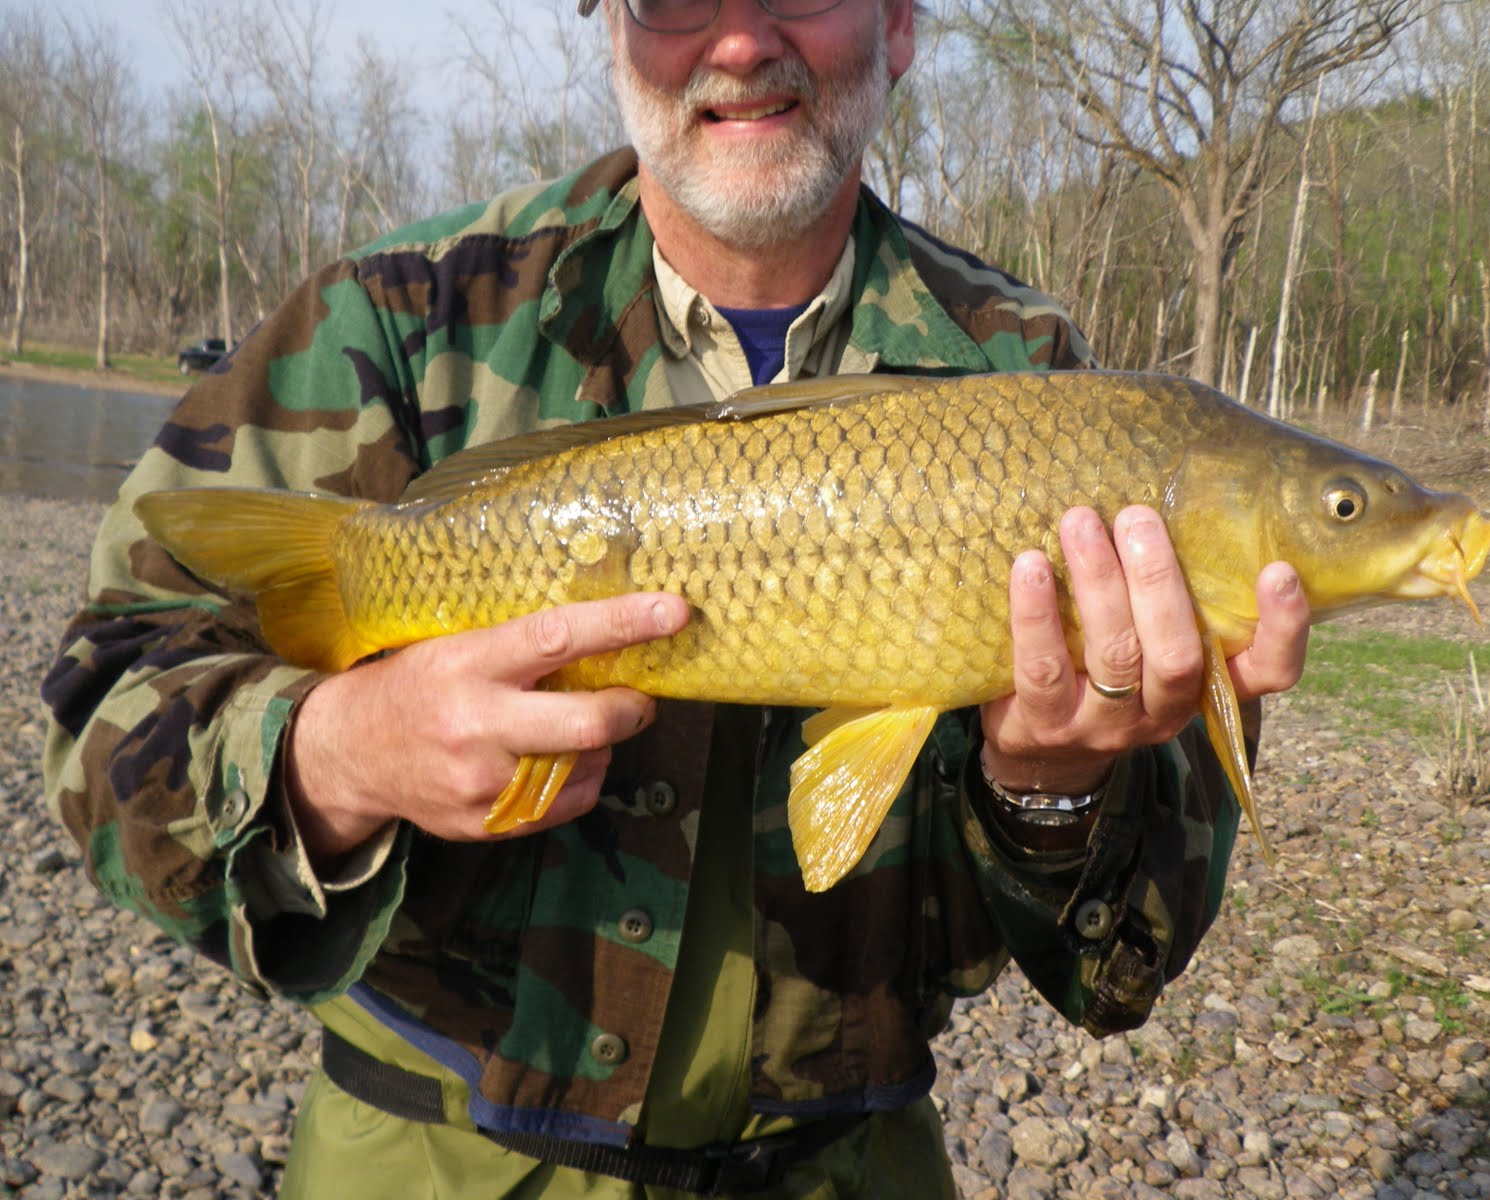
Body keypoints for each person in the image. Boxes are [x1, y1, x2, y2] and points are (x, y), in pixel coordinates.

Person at [40, 0, 1310, 1195]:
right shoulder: (394, 318)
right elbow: (104, 713)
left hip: (841, 1164)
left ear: (902, 21)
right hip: (430, 1156)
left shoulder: (1048, 394)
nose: (742, 40)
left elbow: (1122, 967)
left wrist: (1050, 787)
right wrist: (338, 755)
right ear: (608, 21)